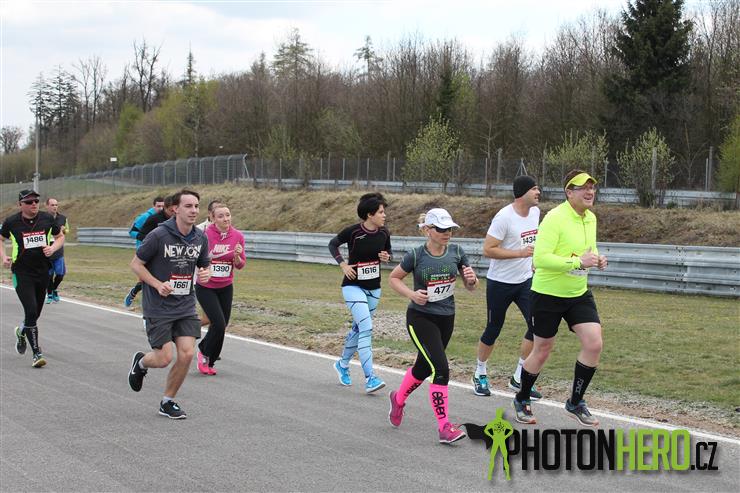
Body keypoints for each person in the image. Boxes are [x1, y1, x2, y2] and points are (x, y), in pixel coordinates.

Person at [512, 170, 607, 427]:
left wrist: (597, 258)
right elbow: (540, 259)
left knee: (594, 343)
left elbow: (588, 251)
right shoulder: (554, 218)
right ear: (569, 192)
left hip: (578, 293)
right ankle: (522, 398)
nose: (590, 192)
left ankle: (575, 402)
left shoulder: (591, 218)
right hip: (547, 294)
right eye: (583, 188)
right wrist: (577, 262)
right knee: (542, 350)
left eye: (592, 187)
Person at [387, 208, 478, 444]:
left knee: (423, 369)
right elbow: (394, 278)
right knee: (441, 368)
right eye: (441, 229)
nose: (447, 233)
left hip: (446, 317)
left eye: (450, 229)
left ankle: (398, 399)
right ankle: (444, 427)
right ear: (428, 230)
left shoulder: (457, 252)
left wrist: (471, 280)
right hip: (420, 318)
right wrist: (412, 294)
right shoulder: (416, 255)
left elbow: (471, 287)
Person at [127, 189, 211, 419]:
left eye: (196, 206)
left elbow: (205, 265)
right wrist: (157, 284)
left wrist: (206, 273)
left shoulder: (200, 237)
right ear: (175, 209)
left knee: (186, 354)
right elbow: (136, 264)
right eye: (188, 206)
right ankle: (141, 363)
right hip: (159, 306)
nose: (194, 211)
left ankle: (167, 401)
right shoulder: (158, 235)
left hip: (185, 305)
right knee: (163, 359)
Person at [472, 176, 543, 399]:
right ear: (522, 192)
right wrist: (519, 254)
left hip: (525, 281)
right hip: (500, 283)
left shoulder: (535, 213)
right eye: (534, 188)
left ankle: (519, 376)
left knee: (537, 326)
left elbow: (532, 242)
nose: (538, 192)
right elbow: (488, 249)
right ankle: (480, 372)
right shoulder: (504, 217)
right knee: (493, 328)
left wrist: (532, 261)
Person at [328, 192, 391, 394]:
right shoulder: (353, 231)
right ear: (370, 214)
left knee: (359, 328)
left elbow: (388, 253)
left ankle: (342, 364)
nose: (384, 215)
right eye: (381, 212)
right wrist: (343, 265)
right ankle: (370, 378)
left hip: (374, 288)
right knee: (366, 328)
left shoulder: (384, 233)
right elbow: (332, 244)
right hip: (353, 286)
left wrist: (386, 257)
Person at [1, 190, 65, 367]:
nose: (34, 204)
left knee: (35, 314)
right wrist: (3, 256)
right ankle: (37, 353)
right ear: (20, 204)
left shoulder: (47, 219)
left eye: (36, 201)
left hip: (42, 271)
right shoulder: (11, 222)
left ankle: (21, 332)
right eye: (29, 202)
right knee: (30, 311)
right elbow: (0, 239)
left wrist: (53, 248)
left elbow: (60, 237)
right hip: (21, 273)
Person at [195, 203, 245, 375]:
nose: (226, 219)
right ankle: (204, 354)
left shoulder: (237, 236)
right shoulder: (204, 235)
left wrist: (237, 256)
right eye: (221, 216)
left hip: (226, 286)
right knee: (218, 322)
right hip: (206, 286)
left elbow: (241, 265)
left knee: (222, 325)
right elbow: (196, 259)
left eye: (228, 215)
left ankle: (210, 358)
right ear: (213, 218)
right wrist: (205, 268)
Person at [124, 196, 165, 307]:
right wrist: (147, 239)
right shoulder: (145, 217)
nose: (161, 208)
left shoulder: (166, 217)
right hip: (144, 252)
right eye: (158, 206)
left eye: (163, 206)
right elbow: (132, 231)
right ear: (153, 206)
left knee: (155, 278)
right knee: (145, 279)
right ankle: (135, 294)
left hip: (159, 252)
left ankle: (140, 296)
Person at [44, 197, 70, 304]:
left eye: (56, 205)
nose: (55, 207)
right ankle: (49, 294)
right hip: (46, 248)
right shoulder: (42, 218)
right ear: (47, 206)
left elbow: (67, 230)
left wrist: (64, 231)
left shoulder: (63, 218)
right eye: (52, 205)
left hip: (58, 248)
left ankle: (54, 289)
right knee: (49, 274)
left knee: (60, 274)